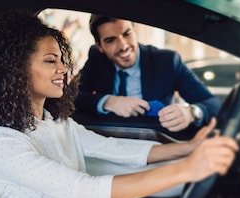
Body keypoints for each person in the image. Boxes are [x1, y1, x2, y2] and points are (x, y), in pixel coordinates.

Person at [0, 11, 238, 198]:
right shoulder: (2, 145)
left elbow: (113, 147)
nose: (65, 70)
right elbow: (86, 189)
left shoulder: (55, 123)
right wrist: (187, 169)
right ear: (15, 71)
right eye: (51, 61)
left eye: (62, 60)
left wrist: (187, 148)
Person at [74, 14, 222, 133]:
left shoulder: (167, 62)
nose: (123, 46)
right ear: (99, 46)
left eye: (127, 34)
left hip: (156, 140)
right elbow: (72, 96)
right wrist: (107, 102)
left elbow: (213, 104)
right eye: (110, 40)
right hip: (107, 139)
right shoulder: (97, 59)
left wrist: (192, 112)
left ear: (134, 28)